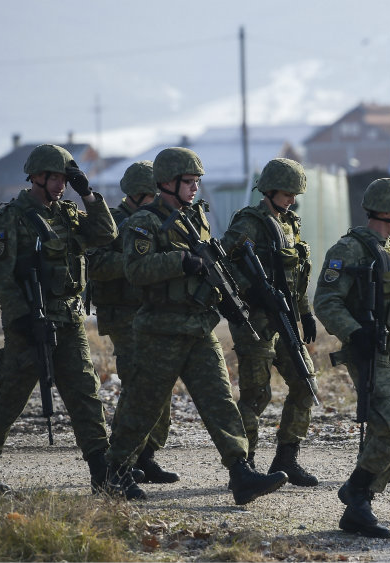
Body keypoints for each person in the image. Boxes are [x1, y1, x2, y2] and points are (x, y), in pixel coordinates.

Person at [105, 147, 288, 504]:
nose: (194, 188)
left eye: (197, 182)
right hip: (160, 328)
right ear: (166, 183)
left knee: (220, 400)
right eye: (188, 182)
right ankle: (115, 473)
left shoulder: (195, 218)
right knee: (142, 405)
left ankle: (241, 473)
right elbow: (136, 271)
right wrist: (181, 262)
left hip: (198, 326)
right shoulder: (144, 222)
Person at [0, 144, 116, 495]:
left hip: (68, 320)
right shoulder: (10, 217)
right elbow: (0, 276)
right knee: (11, 396)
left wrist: (88, 194)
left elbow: (105, 234)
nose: (60, 185)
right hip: (30, 323)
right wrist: (23, 318)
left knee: (85, 393)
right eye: (54, 177)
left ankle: (103, 473)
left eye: (64, 179)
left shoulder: (67, 213)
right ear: (36, 176)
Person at [315, 178, 390, 538]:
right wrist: (355, 332)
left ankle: (360, 498)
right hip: (371, 354)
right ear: (388, 212)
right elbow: (326, 301)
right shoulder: (349, 249)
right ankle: (357, 494)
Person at [221, 158, 320, 486]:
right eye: (287, 191)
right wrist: (253, 290)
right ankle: (244, 463)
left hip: (286, 316)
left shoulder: (290, 223)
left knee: (306, 384)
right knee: (256, 395)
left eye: (295, 193)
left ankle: (287, 457)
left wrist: (305, 312)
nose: (292, 198)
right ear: (270, 189)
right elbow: (223, 264)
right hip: (256, 321)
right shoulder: (249, 223)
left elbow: (295, 278)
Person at [87, 161, 177, 484]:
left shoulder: (157, 219)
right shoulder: (111, 222)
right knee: (139, 384)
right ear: (140, 194)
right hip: (123, 315)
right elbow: (95, 264)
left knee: (160, 384)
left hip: (151, 311)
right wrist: (134, 261)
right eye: (152, 194)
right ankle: (121, 457)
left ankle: (146, 455)